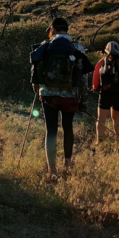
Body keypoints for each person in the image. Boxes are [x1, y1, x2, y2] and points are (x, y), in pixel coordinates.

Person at [30, 17, 94, 178]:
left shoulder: (45, 45)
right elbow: (83, 77)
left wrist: (37, 90)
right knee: (68, 127)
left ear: (52, 29)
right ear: (66, 29)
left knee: (51, 130)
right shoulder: (76, 47)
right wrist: (83, 101)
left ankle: (52, 169)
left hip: (48, 94)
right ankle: (68, 163)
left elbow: (35, 71)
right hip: (69, 94)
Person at [92, 41, 119, 144]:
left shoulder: (103, 61)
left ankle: (99, 140)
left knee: (101, 119)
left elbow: (96, 78)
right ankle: (118, 139)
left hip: (106, 92)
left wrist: (95, 88)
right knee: (116, 117)